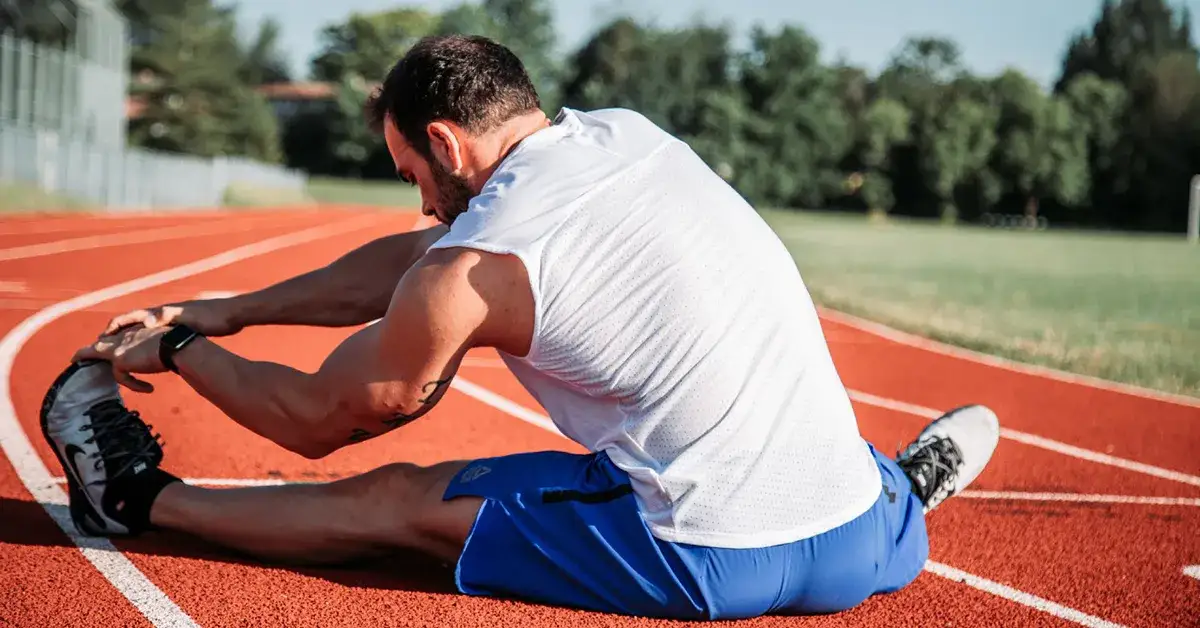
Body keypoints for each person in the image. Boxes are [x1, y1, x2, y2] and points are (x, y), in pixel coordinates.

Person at [41, 34, 1000, 620]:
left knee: (395, 502)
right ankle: (903, 492)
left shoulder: (471, 266)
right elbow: (419, 262)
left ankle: (134, 502)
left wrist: (180, 347)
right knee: (787, 414)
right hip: (855, 546)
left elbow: (317, 416)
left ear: (447, 144)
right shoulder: (624, 135)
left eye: (412, 174)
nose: (418, 203)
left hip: (705, 553)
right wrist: (229, 309)